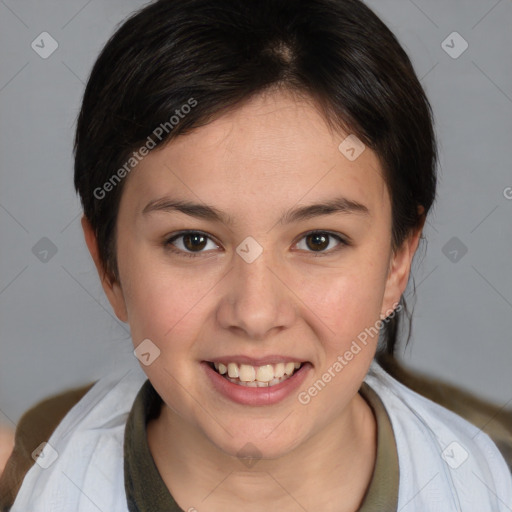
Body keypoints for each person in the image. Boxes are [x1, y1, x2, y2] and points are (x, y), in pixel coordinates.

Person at [1, 0, 511, 510]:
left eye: (318, 240)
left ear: (397, 261)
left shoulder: (492, 483)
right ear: (108, 266)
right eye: (193, 241)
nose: (256, 313)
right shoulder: (33, 468)